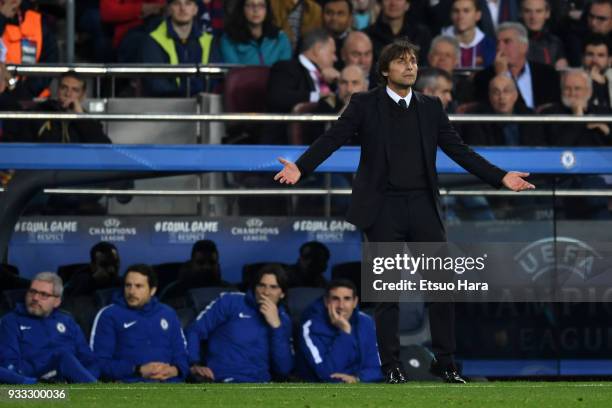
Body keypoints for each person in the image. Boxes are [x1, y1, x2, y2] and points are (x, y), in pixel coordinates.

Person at [274, 38, 535, 383]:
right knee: (387, 293)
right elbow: (332, 138)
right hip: (383, 209)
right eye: (401, 61)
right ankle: (391, 364)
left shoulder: (431, 107)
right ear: (384, 70)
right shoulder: (364, 104)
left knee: (442, 287)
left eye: (413, 60)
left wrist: (500, 176)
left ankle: (446, 361)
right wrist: (301, 167)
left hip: (423, 206)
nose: (410, 65)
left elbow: (459, 150)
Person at [185, 264, 293, 382]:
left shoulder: (283, 320)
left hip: (260, 386)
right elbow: (194, 330)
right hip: (224, 381)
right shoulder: (231, 302)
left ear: (282, 294)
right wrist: (193, 364)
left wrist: (276, 327)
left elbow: (284, 369)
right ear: (254, 287)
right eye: (261, 285)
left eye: (273, 287)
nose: (266, 292)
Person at [90, 264, 189, 382]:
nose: (131, 291)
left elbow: (182, 354)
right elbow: (99, 363)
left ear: (152, 290)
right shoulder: (109, 315)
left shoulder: (168, 314)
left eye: (138, 286)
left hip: (170, 387)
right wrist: (138, 370)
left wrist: (176, 370)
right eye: (128, 286)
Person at [0, 272, 99, 384]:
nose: (35, 298)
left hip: (71, 383)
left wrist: (85, 376)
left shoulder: (67, 321)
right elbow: (9, 366)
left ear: (57, 302)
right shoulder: (11, 321)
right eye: (32, 292)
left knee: (65, 358)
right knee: (63, 357)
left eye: (43, 295)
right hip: (38, 384)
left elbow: (90, 360)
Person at [295, 279, 382, 382]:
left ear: (355, 302)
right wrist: (345, 332)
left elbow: (378, 368)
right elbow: (326, 374)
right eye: (335, 299)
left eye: (347, 299)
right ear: (326, 302)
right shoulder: (310, 327)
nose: (341, 305)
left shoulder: (366, 322)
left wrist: (357, 379)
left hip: (359, 386)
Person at [266, 29, 339, 144]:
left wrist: (340, 82)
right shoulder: (285, 68)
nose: (335, 58)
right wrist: (318, 96)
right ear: (317, 49)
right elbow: (278, 97)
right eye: (332, 52)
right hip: (285, 145)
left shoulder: (331, 78)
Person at [3, 70, 110, 144]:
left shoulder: (90, 123)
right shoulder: (41, 111)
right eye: (64, 88)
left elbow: (105, 149)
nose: (68, 94)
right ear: (58, 89)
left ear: (82, 95)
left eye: (75, 90)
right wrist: (10, 81)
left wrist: (80, 117)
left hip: (78, 173)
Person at [473, 22, 560, 110]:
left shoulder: (548, 74)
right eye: (497, 43)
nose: (499, 47)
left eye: (507, 42)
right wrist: (502, 75)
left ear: (524, 46)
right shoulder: (483, 78)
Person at [140, 0, 217, 97]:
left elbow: (214, 81)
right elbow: (156, 84)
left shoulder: (208, 40)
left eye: (188, 3)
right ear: (169, 9)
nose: (183, 8)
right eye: (177, 3)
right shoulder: (153, 40)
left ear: (195, 9)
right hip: (165, 106)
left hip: (201, 106)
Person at [461, 75, 544, 145]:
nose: (501, 97)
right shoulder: (478, 119)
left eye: (506, 91)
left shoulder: (529, 116)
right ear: (490, 97)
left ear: (515, 95)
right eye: (496, 92)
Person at [0, 0, 59, 99]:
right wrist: (1, 18)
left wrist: (24, 92)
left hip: (31, 99)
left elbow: (49, 61)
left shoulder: (37, 21)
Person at [541, 69, 612, 146]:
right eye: (567, 88)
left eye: (577, 88)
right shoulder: (549, 114)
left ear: (589, 91)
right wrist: (578, 120)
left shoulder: (605, 114)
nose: (572, 93)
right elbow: (556, 148)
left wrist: (607, 131)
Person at [161, 240, 232, 309]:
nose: (207, 267)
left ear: (218, 265)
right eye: (201, 263)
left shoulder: (230, 291)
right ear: (191, 264)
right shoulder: (172, 293)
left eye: (212, 262)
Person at [220, 0, 291, 65]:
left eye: (261, 5)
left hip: (277, 79)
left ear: (267, 9)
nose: (256, 10)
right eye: (250, 5)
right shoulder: (228, 39)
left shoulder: (280, 38)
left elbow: (285, 71)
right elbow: (233, 73)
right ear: (242, 8)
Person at [365, 0, 432, 64]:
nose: (393, 3)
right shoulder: (366, 35)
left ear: (407, 5)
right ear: (380, 3)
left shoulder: (422, 34)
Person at [441, 0, 496, 68]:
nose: (460, 16)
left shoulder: (489, 45)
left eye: (466, 11)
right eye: (456, 11)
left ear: (477, 15)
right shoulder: (440, 43)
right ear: (451, 15)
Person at [520, 0, 568, 69]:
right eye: (527, 11)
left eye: (538, 11)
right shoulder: (511, 40)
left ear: (547, 14)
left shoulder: (555, 43)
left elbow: (561, 72)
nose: (533, 17)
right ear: (521, 13)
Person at [582, 34, 612, 109]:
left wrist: (603, 84)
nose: (594, 60)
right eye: (590, 54)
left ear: (610, 60)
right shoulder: (573, 79)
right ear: (582, 58)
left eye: (601, 55)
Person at [321, 0, 353, 67]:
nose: (334, 18)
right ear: (321, 15)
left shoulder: (359, 41)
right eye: (329, 13)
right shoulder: (310, 42)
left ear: (350, 18)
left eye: (340, 13)